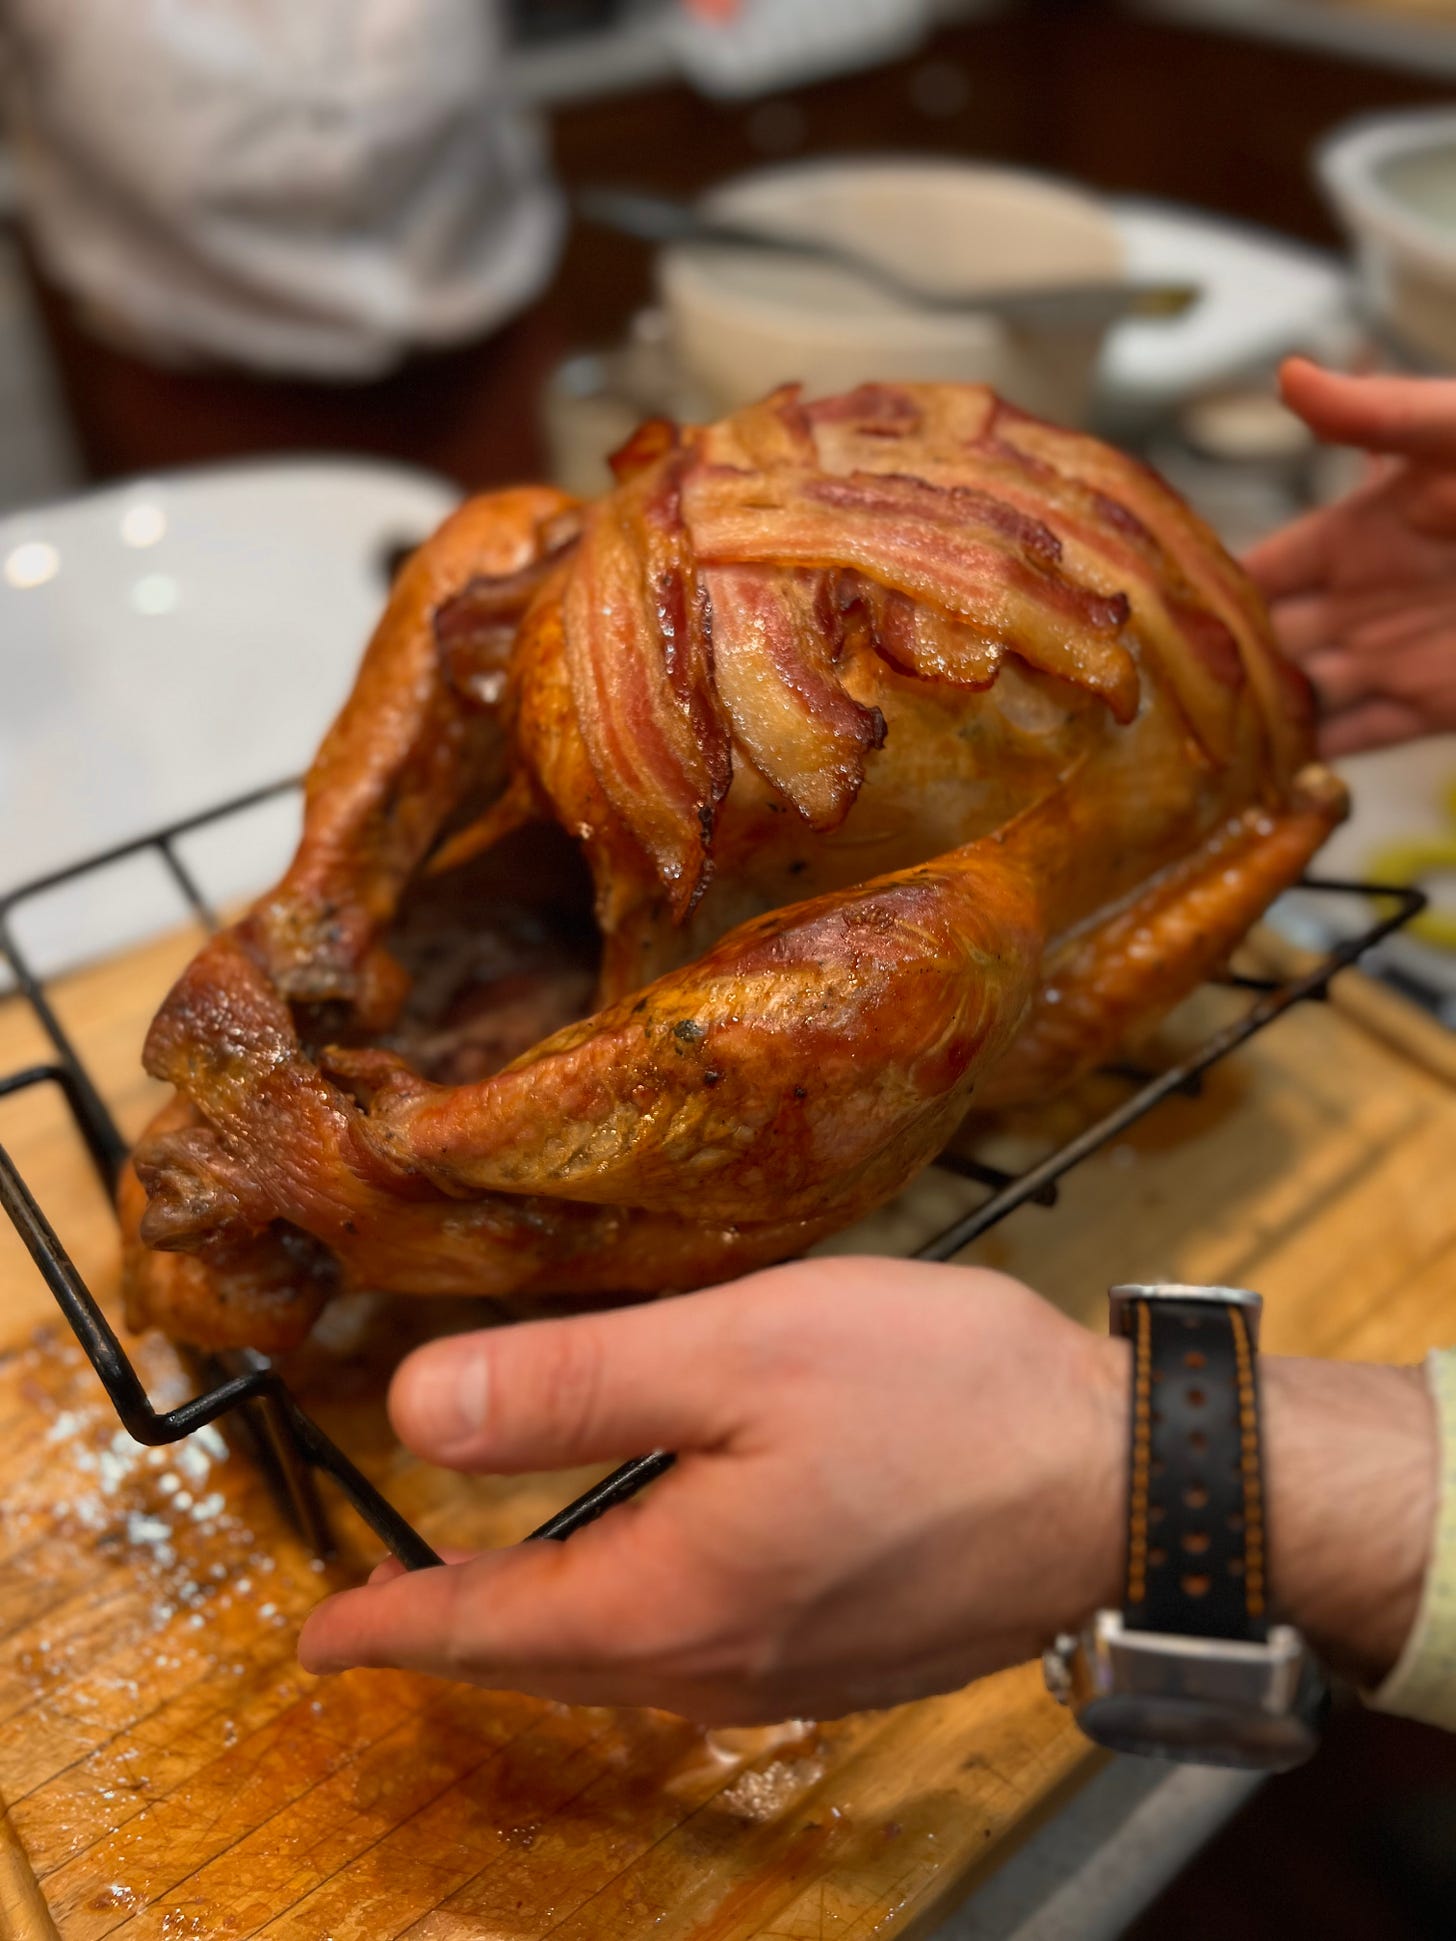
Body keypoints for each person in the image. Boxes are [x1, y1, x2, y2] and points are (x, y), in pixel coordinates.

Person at [298, 360, 1456, 1741]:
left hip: (1012, 826)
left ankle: (399, 1164)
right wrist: (322, 905)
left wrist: (1117, 1481)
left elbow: (935, 957)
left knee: (949, 966)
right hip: (703, 578)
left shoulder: (947, 940)